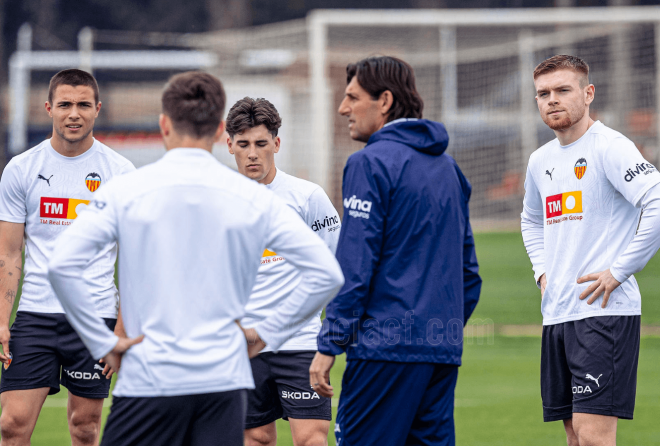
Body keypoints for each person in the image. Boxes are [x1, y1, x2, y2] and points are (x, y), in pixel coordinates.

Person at [47, 71, 344, 446]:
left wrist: (102, 342)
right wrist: (264, 334)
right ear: (222, 132)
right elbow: (326, 273)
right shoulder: (251, 197)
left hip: (148, 378)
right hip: (223, 380)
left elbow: (60, 265)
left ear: (164, 125)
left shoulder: (127, 189)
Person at [310, 56, 482, 446]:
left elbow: (355, 264)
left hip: (383, 352)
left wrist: (330, 342)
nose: (343, 108)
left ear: (384, 101)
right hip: (440, 351)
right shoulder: (449, 169)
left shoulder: (368, 163)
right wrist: (437, 329)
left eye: (352, 97)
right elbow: (468, 273)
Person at [521, 55, 660, 446]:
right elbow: (530, 221)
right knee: (575, 436)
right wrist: (542, 273)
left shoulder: (610, 147)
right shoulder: (540, 160)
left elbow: (657, 202)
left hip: (604, 314)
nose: (552, 100)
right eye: (543, 93)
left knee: (594, 435)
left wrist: (619, 270)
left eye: (563, 90)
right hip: (558, 313)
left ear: (588, 93)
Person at [0, 69, 134, 446]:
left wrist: (121, 331)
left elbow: (137, 260)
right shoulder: (21, 169)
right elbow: (9, 254)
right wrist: (1, 320)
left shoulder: (121, 173)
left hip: (95, 318)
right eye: (64, 105)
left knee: (85, 427)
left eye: (82, 105)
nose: (73, 114)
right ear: (48, 108)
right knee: (12, 424)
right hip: (35, 315)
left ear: (97, 110)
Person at [226, 97, 341, 446]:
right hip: (244, 346)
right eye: (243, 144)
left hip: (301, 342)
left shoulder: (308, 197)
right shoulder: (217, 202)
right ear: (228, 143)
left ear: (276, 143)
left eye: (261, 144)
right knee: (255, 438)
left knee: (312, 441)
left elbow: (337, 270)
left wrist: (331, 338)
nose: (252, 153)